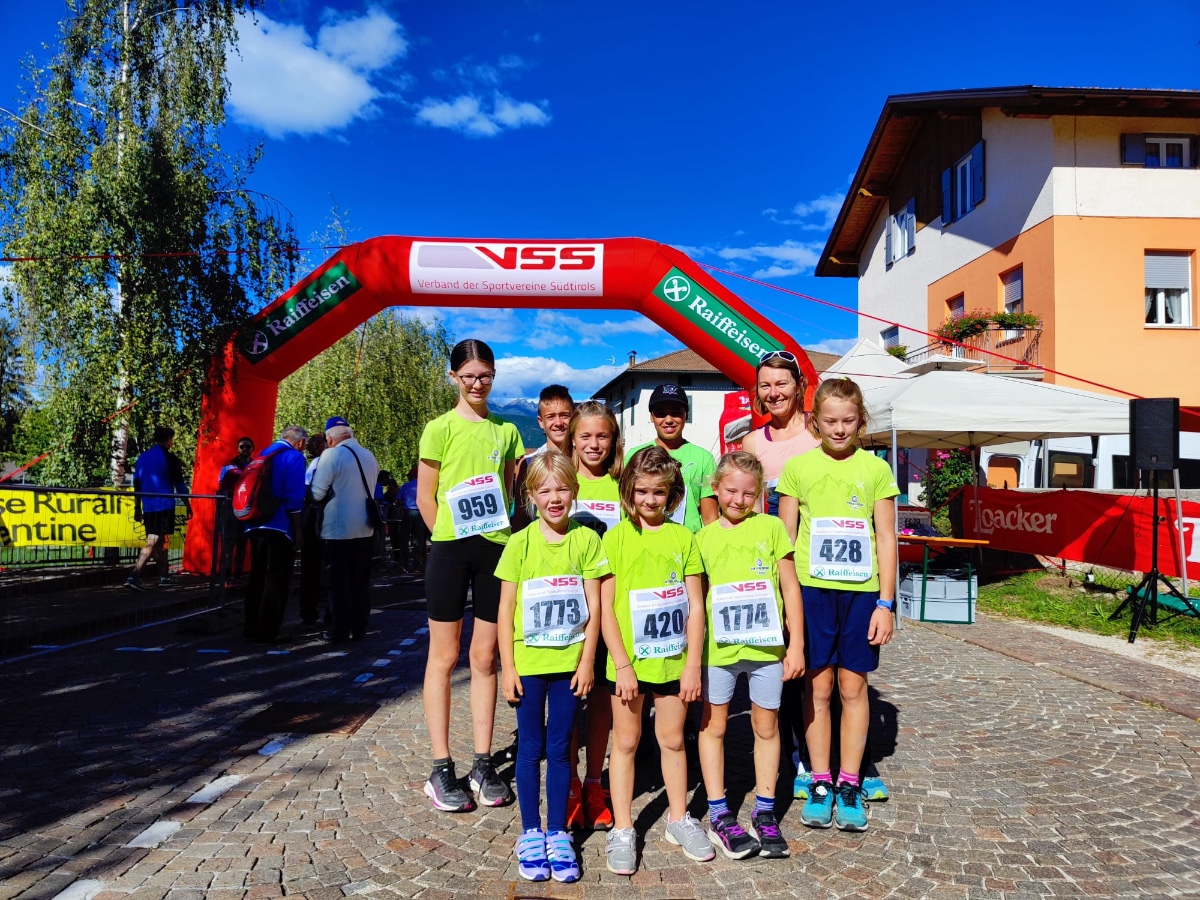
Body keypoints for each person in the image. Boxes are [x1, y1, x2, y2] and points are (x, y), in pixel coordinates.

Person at [777, 377, 899, 832]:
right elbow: (785, 541)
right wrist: (785, 602)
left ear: (860, 421)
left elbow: (886, 538)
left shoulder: (876, 470)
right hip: (812, 593)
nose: (840, 429)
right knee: (818, 688)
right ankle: (820, 779)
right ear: (815, 422)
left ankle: (849, 782)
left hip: (862, 593)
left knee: (853, 687)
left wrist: (886, 603)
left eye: (848, 420)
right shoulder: (797, 468)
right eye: (830, 421)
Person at [418, 339, 525, 813]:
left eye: (485, 376)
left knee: (485, 657)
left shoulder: (507, 431)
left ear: (494, 376)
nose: (477, 384)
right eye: (468, 377)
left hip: (494, 550)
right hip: (450, 550)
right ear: (453, 378)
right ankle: (441, 767)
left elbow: (510, 491)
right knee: (444, 655)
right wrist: (445, 538)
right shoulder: (438, 428)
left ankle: (483, 763)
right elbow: (425, 497)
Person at [601, 446, 712, 876]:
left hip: (672, 663)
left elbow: (696, 606)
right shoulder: (615, 538)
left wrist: (692, 664)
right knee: (626, 743)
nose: (650, 500)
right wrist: (622, 665)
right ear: (629, 490)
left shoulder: (684, 539)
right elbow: (606, 608)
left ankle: (678, 818)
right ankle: (623, 827)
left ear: (673, 495)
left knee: (673, 740)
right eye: (642, 491)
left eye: (659, 492)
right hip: (628, 666)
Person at [496, 451, 606, 884]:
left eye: (562, 489)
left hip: (569, 665)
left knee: (561, 749)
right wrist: (508, 667)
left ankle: (558, 832)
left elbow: (595, 608)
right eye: (544, 490)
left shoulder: (587, 541)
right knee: (530, 748)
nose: (554, 498)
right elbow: (506, 611)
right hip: (528, 664)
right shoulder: (519, 543)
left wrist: (587, 660)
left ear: (574, 491)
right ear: (531, 495)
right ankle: (530, 832)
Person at [695, 451, 805, 860]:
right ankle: (719, 811)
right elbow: (696, 599)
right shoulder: (703, 538)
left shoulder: (772, 527)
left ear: (760, 493)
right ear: (715, 489)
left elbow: (790, 586)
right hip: (719, 651)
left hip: (766, 649)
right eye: (730, 491)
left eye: (747, 493)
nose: (738, 500)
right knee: (714, 727)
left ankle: (765, 809)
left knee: (766, 726)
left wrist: (796, 644)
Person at [739, 350, 824, 800]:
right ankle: (796, 756)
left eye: (781, 383)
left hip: (820, 565)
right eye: (765, 386)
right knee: (785, 663)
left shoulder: (819, 431)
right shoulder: (753, 443)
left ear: (798, 386)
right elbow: (751, 511)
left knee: (822, 665)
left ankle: (834, 757)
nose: (774, 393)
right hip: (777, 566)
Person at [564, 400, 623, 831]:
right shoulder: (562, 483)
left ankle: (594, 782)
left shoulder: (622, 487)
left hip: (612, 609)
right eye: (585, 435)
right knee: (569, 701)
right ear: (572, 439)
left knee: (602, 700)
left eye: (602, 435)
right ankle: (568, 781)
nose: (594, 444)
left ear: (613, 439)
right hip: (568, 610)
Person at [309, 417, 381, 645]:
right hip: (365, 526)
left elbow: (317, 493)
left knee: (339, 582)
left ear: (330, 438)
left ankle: (339, 629)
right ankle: (359, 626)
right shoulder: (369, 455)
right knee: (360, 581)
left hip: (338, 528)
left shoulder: (331, 455)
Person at [242, 426, 308, 644]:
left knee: (257, 576)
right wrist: (298, 530)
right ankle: (268, 630)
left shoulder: (262, 454)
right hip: (280, 524)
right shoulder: (294, 457)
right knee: (277, 579)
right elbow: (294, 497)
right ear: (300, 442)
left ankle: (250, 627)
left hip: (254, 522)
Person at [626, 384, 717, 533]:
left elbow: (710, 518)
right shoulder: (635, 455)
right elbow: (626, 506)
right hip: (644, 539)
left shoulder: (703, 458)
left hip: (689, 541)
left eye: (675, 413)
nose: (668, 420)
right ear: (651, 417)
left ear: (686, 415)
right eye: (661, 414)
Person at [126, 426, 192, 591]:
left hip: (148, 505)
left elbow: (137, 484)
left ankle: (164, 576)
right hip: (164, 504)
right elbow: (180, 485)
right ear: (169, 439)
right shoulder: (170, 458)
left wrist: (137, 507)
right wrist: (188, 505)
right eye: (172, 439)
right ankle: (134, 575)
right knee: (153, 540)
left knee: (159, 542)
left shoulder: (143, 458)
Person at [512, 385, 575, 531]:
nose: (558, 423)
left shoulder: (586, 461)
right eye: (550, 417)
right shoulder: (529, 464)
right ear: (541, 422)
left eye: (564, 415)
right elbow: (521, 519)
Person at [299, 432, 328, 628]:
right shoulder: (321, 463)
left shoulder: (318, 463)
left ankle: (309, 612)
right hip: (319, 519)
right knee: (315, 565)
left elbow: (309, 490)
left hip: (314, 518)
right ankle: (312, 611)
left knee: (312, 566)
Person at [217, 436, 254, 588]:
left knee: (242, 544)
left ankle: (238, 575)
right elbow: (221, 486)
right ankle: (226, 577)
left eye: (248, 446)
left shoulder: (255, 465)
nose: (245, 449)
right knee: (229, 544)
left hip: (247, 511)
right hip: (230, 510)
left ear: (252, 449)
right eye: (242, 446)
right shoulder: (229, 466)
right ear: (237, 449)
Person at [393, 466, 425, 573]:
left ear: (412, 476)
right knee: (418, 539)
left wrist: (401, 503)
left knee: (404, 539)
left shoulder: (406, 486)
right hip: (420, 513)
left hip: (407, 513)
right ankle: (417, 564)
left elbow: (397, 500)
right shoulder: (423, 486)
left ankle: (404, 564)